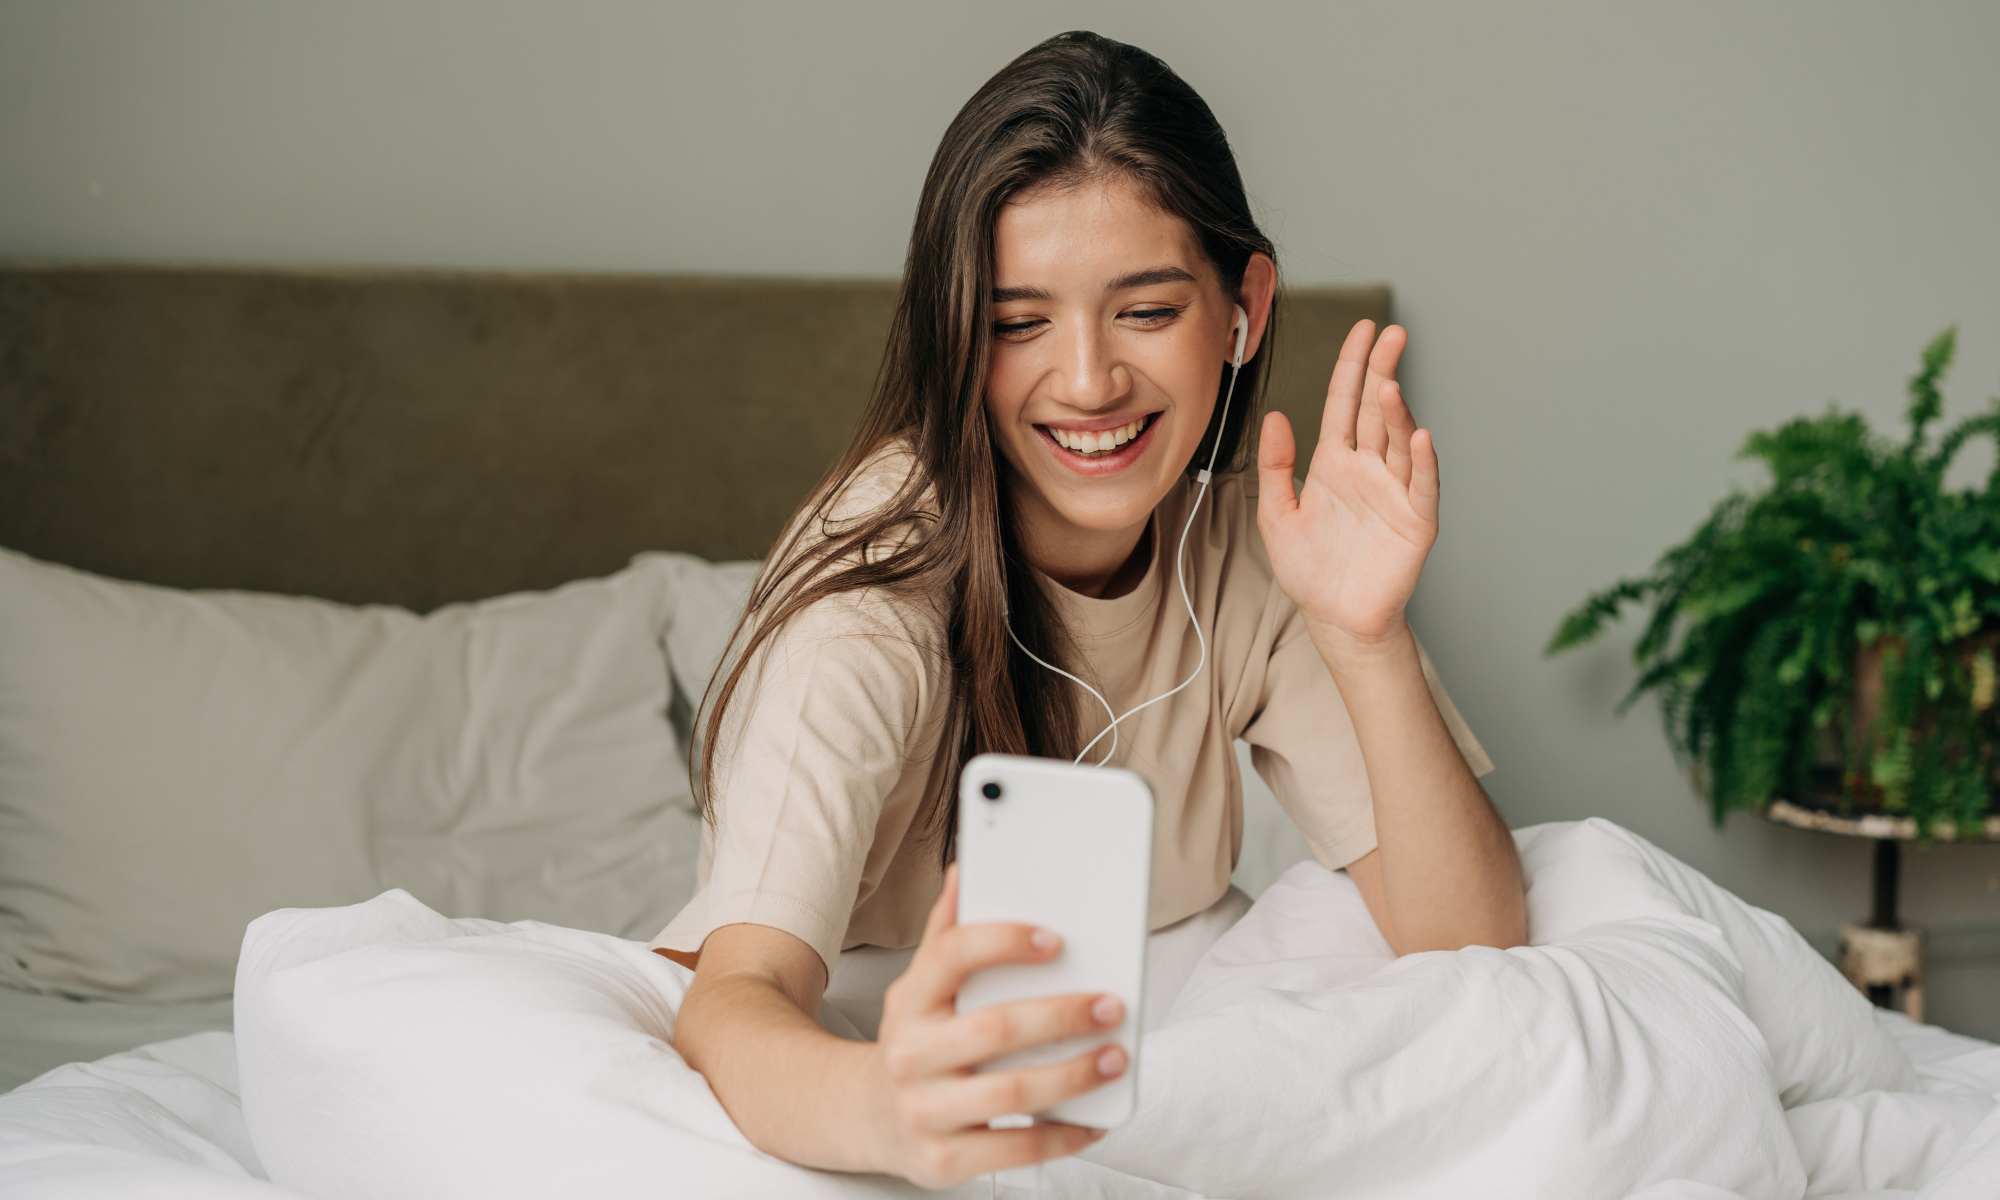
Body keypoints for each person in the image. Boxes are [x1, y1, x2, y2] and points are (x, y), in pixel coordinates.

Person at [654, 30, 1526, 1188]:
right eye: (1018, 324)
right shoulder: (870, 601)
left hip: (1137, 1042)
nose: (1085, 382)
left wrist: (1363, 639)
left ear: (1241, 308)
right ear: (956, 333)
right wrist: (891, 1111)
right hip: (858, 1062)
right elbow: (735, 998)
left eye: (1144, 311)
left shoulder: (1245, 556)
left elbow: (1468, 943)